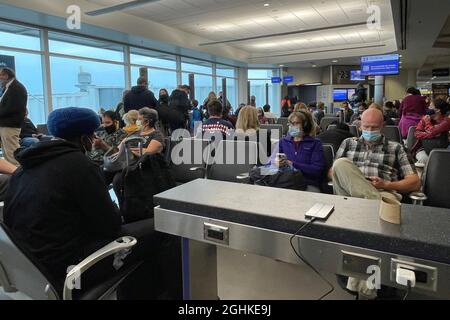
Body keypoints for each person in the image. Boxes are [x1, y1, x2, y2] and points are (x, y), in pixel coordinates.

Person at [3, 107, 178, 299]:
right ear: (84, 139)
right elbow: (111, 226)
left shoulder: (23, 168)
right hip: (72, 270)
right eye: (92, 134)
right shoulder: (79, 165)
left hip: (35, 272)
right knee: (165, 226)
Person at [332, 108, 421, 202]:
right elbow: (333, 171)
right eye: (366, 127)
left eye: (374, 127)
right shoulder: (348, 143)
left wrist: (386, 185)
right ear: (360, 126)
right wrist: (356, 179)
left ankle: (370, 204)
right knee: (340, 163)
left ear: (383, 126)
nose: (370, 131)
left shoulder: (397, 148)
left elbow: (415, 183)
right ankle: (374, 203)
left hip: (383, 193)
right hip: (349, 193)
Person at [270, 111, 325, 192]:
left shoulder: (315, 143)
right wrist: (276, 162)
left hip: (307, 183)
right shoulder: (283, 142)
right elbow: (270, 162)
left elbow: (317, 170)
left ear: (305, 126)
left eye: (296, 123)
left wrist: (292, 164)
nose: (292, 126)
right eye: (291, 123)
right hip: (284, 181)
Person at [0, 67, 27, 165]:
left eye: (1, 75)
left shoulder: (17, 88)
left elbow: (11, 108)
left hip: (10, 125)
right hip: (6, 124)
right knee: (7, 153)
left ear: (6, 76)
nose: (0, 78)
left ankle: (17, 175)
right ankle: (11, 175)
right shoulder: (8, 87)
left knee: (12, 153)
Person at [412, 99, 450, 165]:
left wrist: (427, 123)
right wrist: (433, 135)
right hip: (423, 149)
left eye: (430, 106)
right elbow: (416, 133)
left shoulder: (446, 121)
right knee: (424, 159)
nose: (428, 108)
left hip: (441, 150)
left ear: (438, 110)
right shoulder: (425, 118)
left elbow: (431, 131)